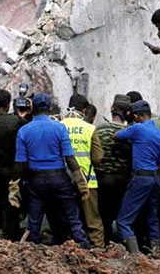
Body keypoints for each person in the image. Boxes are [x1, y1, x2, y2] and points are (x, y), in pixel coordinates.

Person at [10, 93, 89, 248]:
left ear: (32, 108)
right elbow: (70, 158)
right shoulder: (59, 128)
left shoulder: (24, 131)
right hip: (59, 178)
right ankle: (83, 245)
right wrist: (81, 182)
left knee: (34, 220)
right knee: (72, 216)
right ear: (50, 108)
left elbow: (20, 163)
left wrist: (13, 186)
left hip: (36, 180)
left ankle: (33, 252)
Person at [113, 100, 160, 253]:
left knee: (123, 221)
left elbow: (115, 136)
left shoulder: (137, 129)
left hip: (141, 178)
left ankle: (135, 256)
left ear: (136, 116)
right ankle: (156, 252)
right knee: (152, 216)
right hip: (155, 179)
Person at [0, 89, 27, 241]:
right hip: (11, 168)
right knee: (11, 201)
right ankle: (12, 233)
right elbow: (26, 129)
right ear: (8, 104)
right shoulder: (15, 121)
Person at [61, 94, 105, 247]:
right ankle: (98, 249)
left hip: (64, 181)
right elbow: (98, 158)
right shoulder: (90, 129)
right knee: (93, 220)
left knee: (69, 217)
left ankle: (69, 247)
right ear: (85, 110)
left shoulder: (59, 125)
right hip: (88, 181)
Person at [95, 94, 132, 245]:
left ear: (112, 109)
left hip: (103, 178)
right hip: (122, 179)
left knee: (104, 215)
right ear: (128, 113)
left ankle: (105, 243)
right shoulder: (129, 131)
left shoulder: (99, 129)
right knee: (122, 215)